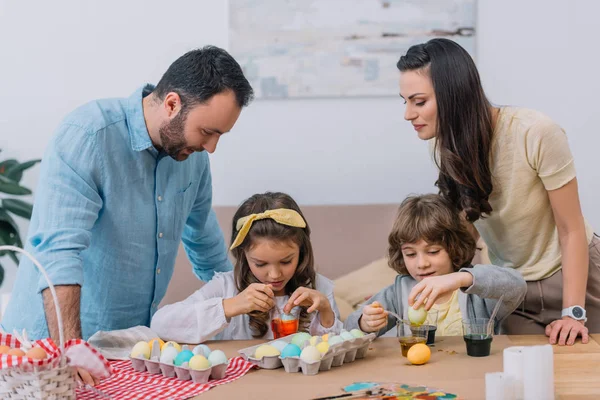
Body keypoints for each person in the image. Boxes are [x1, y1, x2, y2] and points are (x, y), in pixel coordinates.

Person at [2, 46, 254, 349]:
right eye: (206, 132)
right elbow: (59, 252)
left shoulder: (194, 159)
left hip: (130, 347)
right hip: (46, 347)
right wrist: (70, 347)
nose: (211, 147)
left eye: (219, 136)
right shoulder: (88, 136)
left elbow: (206, 246)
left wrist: (253, 302)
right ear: (172, 104)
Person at [396, 38, 598, 345]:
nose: (408, 114)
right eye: (405, 101)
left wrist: (573, 311)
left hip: (577, 278)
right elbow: (466, 229)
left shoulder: (535, 132)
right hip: (515, 286)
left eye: (419, 101)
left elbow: (570, 229)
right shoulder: (442, 149)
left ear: (454, 96)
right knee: (529, 383)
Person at [151, 192, 343, 343]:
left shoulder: (319, 288)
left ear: (302, 251)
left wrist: (326, 312)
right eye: (260, 264)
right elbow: (161, 323)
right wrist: (230, 306)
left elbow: (337, 349)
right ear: (243, 254)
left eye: (286, 261)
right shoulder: (226, 287)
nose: (274, 275)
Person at [344, 194, 526, 337]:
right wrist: (365, 324)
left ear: (453, 247)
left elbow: (517, 286)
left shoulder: (476, 291)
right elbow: (349, 329)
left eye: (433, 252)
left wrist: (461, 278)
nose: (422, 264)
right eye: (410, 254)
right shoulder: (397, 293)